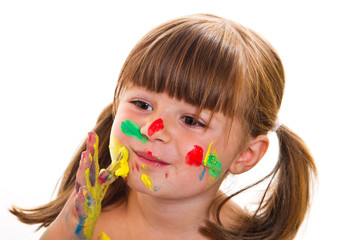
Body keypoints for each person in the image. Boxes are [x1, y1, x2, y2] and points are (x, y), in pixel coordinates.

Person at [10, 14, 317, 240]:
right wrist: (69, 228)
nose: (151, 128)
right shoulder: (84, 221)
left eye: (192, 120)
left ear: (245, 154)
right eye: (142, 105)